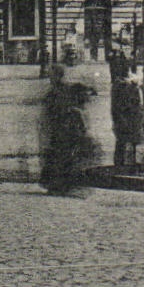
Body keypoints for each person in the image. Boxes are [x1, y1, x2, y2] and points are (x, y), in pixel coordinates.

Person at [40, 63, 96, 195]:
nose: (50, 78)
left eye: (52, 75)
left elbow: (79, 101)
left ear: (58, 75)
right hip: (59, 129)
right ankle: (59, 185)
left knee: (61, 156)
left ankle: (61, 185)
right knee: (59, 157)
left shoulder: (61, 90)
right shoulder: (56, 91)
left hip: (64, 128)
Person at [110, 68, 143, 167]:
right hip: (124, 115)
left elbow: (138, 103)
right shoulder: (119, 85)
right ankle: (122, 163)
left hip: (129, 116)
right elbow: (115, 105)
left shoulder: (130, 85)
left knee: (128, 140)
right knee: (123, 140)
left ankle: (127, 162)